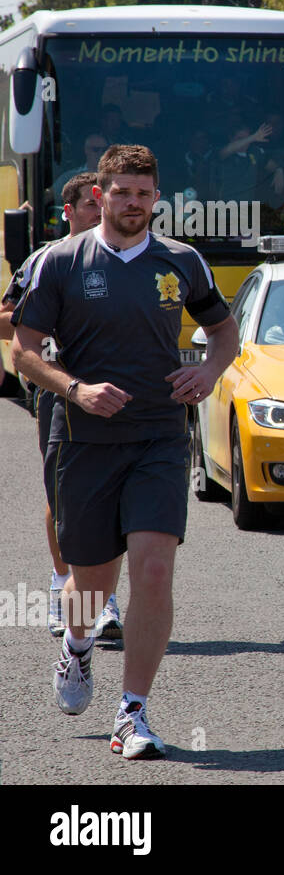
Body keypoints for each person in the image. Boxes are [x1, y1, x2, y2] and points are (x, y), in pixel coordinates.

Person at [10, 144, 238, 759]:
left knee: (154, 567)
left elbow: (223, 330)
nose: (132, 203)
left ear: (155, 198)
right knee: (91, 579)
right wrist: (76, 390)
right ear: (99, 197)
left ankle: (132, 713)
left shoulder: (182, 262)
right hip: (85, 438)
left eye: (143, 193)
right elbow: (23, 350)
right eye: (121, 192)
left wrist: (210, 371)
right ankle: (78, 647)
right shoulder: (60, 262)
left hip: (160, 433)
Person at [0, 173, 121, 640]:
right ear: (69, 212)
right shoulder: (45, 260)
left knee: (111, 496)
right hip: (59, 391)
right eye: (90, 206)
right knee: (63, 494)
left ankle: (102, 599)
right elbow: (5, 320)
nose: (99, 212)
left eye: (101, 203)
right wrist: (48, 325)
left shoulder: (121, 256)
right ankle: (63, 586)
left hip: (116, 389)